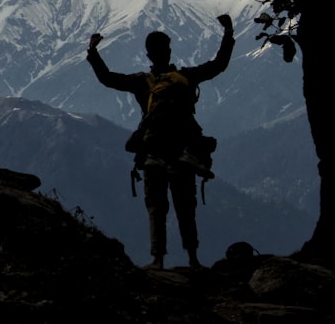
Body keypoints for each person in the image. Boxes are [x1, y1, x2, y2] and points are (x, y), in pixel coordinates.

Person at [86, 15, 234, 269]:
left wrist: (93, 51)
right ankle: (193, 259)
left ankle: (157, 259)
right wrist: (228, 33)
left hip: (153, 151)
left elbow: (108, 78)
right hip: (183, 151)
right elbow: (219, 65)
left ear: (148, 55)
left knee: (157, 207)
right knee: (186, 206)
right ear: (169, 51)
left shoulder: (141, 82)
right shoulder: (186, 77)